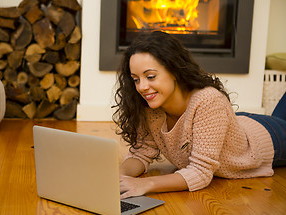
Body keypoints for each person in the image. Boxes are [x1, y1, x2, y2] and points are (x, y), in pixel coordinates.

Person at [112, 31, 286, 200]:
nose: (142, 87)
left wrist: (145, 185)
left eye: (150, 76)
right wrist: (117, 178)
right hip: (235, 123)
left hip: (267, 139)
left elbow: (200, 172)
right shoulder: (150, 106)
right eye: (136, 79)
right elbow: (140, 153)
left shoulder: (208, 101)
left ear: (174, 71)